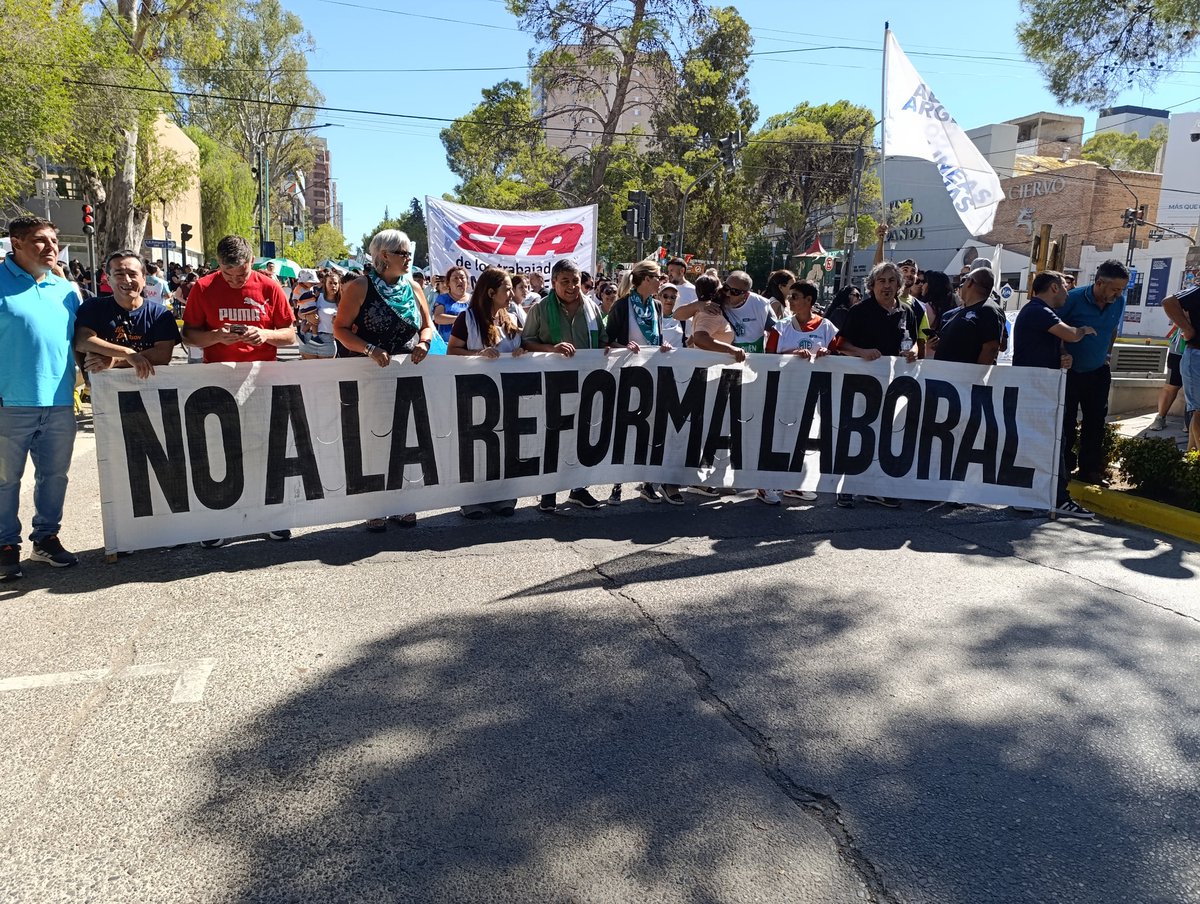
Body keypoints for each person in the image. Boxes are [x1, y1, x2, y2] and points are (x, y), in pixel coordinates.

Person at [181, 235, 297, 546]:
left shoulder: (269, 286)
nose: (234, 280)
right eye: (227, 273)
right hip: (218, 381)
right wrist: (216, 336)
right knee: (220, 452)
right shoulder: (203, 287)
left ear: (252, 262)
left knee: (265, 450)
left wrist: (265, 334)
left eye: (241, 273)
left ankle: (272, 517)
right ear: (217, 265)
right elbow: (189, 335)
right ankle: (221, 521)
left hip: (262, 379)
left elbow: (290, 335)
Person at [333, 229, 436, 531]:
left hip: (407, 372)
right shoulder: (360, 287)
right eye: (402, 253)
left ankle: (405, 501)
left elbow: (427, 325)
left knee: (407, 437)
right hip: (370, 372)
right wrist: (369, 348)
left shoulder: (414, 287)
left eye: (408, 253)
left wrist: (425, 343)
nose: (408, 259)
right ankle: (374, 504)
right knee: (374, 438)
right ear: (383, 256)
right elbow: (340, 329)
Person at [0, 216, 83, 579]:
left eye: (54, 240)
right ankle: (5, 545)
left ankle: (46, 538)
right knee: (4, 480)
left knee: (55, 476)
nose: (52, 248)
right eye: (40, 241)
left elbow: (81, 341)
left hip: (60, 401)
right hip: (9, 403)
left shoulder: (65, 290)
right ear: (15, 243)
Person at [521, 258, 606, 512]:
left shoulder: (592, 307)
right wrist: (550, 349)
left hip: (586, 384)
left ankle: (579, 489)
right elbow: (526, 342)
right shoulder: (541, 308)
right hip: (552, 384)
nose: (571, 286)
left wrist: (612, 348)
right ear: (554, 282)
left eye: (575, 281)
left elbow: (603, 339)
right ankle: (548, 492)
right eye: (565, 281)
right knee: (552, 436)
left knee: (582, 436)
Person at [1012, 270, 1097, 518]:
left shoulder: (1036, 311)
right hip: (1036, 390)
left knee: (1036, 443)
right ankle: (1059, 497)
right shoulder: (1039, 310)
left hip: (1036, 387)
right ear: (1053, 287)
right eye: (1064, 286)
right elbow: (1069, 334)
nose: (1068, 292)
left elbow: (1050, 344)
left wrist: (1062, 356)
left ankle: (1025, 496)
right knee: (1053, 443)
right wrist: (1084, 330)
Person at [835, 261, 919, 510]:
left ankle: (876, 488)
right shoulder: (859, 311)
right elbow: (840, 345)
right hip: (860, 385)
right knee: (855, 435)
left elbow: (914, 342)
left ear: (899, 285)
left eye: (892, 280)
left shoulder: (907, 311)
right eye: (881, 280)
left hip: (893, 385)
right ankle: (847, 487)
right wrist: (861, 352)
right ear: (872, 285)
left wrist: (913, 352)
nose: (887, 285)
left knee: (885, 437)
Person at [446, 267, 525, 518]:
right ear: (491, 292)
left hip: (506, 393)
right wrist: (477, 355)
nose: (511, 293)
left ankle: (503, 495)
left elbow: (523, 344)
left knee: (504, 443)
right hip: (475, 394)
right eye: (507, 289)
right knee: (477, 446)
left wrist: (522, 352)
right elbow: (452, 352)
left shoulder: (510, 318)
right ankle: (472, 500)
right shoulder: (466, 319)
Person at [604, 260, 680, 506]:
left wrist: (663, 346)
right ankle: (617, 484)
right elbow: (608, 339)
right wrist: (622, 347)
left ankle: (648, 484)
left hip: (652, 374)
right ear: (646, 279)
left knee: (650, 429)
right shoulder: (622, 306)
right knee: (624, 429)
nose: (662, 281)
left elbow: (656, 338)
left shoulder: (656, 306)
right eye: (659, 277)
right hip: (626, 376)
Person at [765, 280, 837, 505]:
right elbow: (768, 356)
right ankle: (765, 483)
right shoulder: (782, 326)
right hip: (785, 389)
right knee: (778, 436)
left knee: (800, 437)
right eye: (790, 296)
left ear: (809, 300)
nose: (790, 300)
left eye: (795, 296)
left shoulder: (826, 327)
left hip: (812, 391)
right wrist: (792, 353)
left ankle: (792, 484)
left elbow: (838, 354)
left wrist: (828, 353)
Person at [1058, 259, 1130, 484]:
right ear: (1100, 283)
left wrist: (1107, 356)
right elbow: (1053, 327)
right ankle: (1064, 468)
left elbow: (1113, 329)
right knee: (1066, 420)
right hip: (1070, 372)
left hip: (1098, 371)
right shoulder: (1073, 298)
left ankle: (1089, 470)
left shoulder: (1118, 303)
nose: (1118, 294)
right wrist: (1061, 352)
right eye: (1115, 289)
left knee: (1096, 421)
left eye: (1122, 289)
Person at [74, 251, 180, 380]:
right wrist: (127, 353)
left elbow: (163, 354)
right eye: (119, 274)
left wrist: (114, 361)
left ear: (144, 279)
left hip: (151, 390)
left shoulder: (160, 314)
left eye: (132, 274)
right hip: (104, 391)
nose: (127, 280)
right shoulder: (93, 307)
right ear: (108, 279)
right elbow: (82, 341)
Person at [928, 267, 1004, 365]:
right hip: (944, 374)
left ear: (970, 282)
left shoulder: (988, 310)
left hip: (965, 377)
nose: (961, 285)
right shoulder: (951, 314)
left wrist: (975, 377)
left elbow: (991, 347)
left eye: (964, 280)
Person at [1163, 282, 1200, 451]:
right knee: (1199, 412)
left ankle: (1192, 458)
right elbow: (1169, 302)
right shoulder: (1197, 291)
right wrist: (1186, 328)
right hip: (1197, 355)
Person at [297, 269, 341, 360]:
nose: (333, 286)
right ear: (325, 284)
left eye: (336, 283)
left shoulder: (342, 303)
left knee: (326, 373)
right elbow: (300, 313)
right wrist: (307, 316)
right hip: (309, 339)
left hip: (328, 341)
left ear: (339, 285)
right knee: (308, 372)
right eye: (330, 283)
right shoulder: (316, 297)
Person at [1150, 323, 1187, 432]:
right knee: (1171, 385)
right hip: (1179, 349)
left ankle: (1191, 421)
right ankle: (1160, 417)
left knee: (1195, 388)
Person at [431, 265, 471, 342]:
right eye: (455, 278)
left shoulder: (474, 300)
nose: (459, 281)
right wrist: (460, 319)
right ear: (448, 283)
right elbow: (438, 318)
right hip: (447, 345)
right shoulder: (442, 298)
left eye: (462, 277)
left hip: (469, 345)